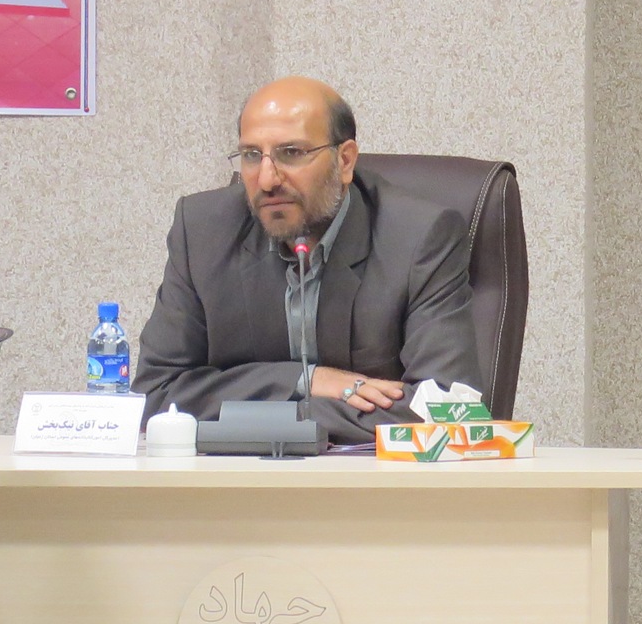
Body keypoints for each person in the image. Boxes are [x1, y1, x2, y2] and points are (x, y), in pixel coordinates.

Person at [132, 76, 482, 443]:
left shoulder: (418, 237)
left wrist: (258, 410)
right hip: (237, 476)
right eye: (252, 155)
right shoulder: (203, 231)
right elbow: (156, 395)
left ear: (345, 160)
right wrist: (307, 380)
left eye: (291, 153)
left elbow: (446, 409)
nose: (267, 179)